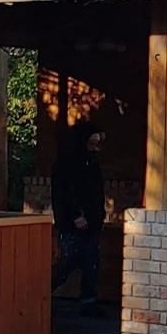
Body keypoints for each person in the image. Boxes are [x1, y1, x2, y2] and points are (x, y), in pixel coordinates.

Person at [51, 122, 106, 314]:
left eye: (97, 144)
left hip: (92, 221)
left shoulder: (92, 163)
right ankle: (42, 292)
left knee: (92, 261)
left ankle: (88, 301)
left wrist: (99, 215)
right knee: (68, 261)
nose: (95, 148)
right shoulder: (67, 164)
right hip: (73, 222)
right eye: (92, 144)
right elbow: (65, 192)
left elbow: (97, 192)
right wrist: (75, 215)